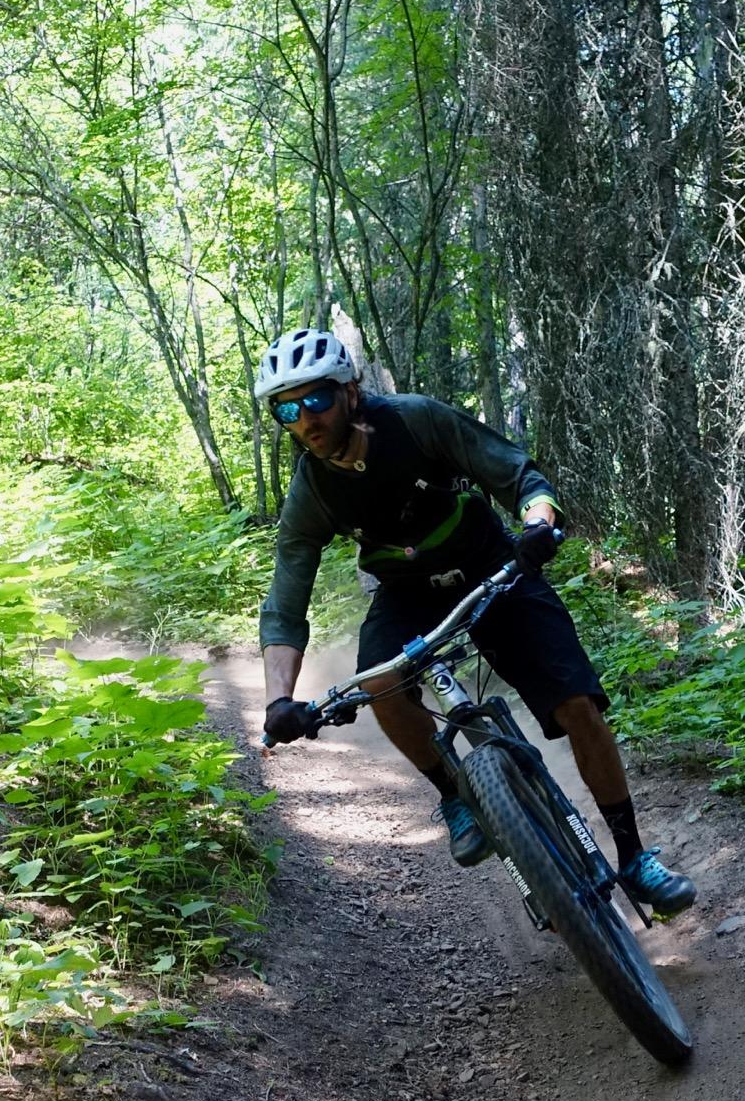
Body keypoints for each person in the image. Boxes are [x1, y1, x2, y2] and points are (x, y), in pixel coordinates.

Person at [254, 328, 697, 917]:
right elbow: (286, 600)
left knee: (576, 703)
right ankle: (456, 794)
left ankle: (635, 857)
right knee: (380, 681)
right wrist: (278, 701)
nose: (306, 417)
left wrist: (539, 524)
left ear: (350, 393)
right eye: (289, 407)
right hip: (407, 593)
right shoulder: (312, 490)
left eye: (317, 399)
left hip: (494, 566)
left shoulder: (416, 421)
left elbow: (518, 474)